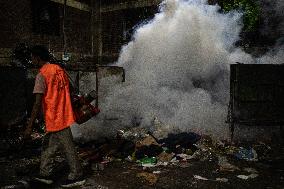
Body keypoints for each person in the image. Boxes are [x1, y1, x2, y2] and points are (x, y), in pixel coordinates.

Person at [24, 45, 85, 188]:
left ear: (37, 58)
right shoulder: (59, 70)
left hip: (54, 116)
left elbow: (37, 103)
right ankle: (45, 174)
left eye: (32, 57)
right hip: (63, 113)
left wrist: (29, 126)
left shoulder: (42, 75)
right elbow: (69, 89)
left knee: (67, 146)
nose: (32, 60)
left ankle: (77, 175)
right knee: (48, 145)